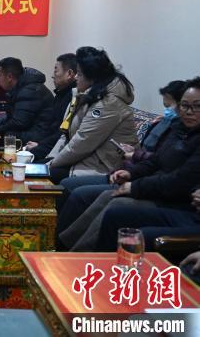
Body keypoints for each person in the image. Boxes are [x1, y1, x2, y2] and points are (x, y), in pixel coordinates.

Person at [58, 77, 200, 250]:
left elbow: (179, 181)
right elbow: (156, 160)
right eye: (184, 106)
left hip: (173, 200)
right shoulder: (178, 128)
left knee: (117, 206)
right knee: (105, 195)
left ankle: (82, 257)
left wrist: (134, 186)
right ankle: (63, 248)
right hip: (150, 184)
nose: (189, 112)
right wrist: (131, 173)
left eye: (197, 106)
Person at [46, 47, 138, 183]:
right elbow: (65, 134)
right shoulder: (84, 96)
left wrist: (51, 165)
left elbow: (82, 142)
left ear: (92, 78)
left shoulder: (107, 104)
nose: (76, 77)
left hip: (104, 167)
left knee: (45, 174)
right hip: (84, 159)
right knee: (38, 169)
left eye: (79, 74)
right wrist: (50, 159)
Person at [24, 54, 77, 161]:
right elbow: (50, 127)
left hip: (59, 151)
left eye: (56, 71)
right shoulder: (61, 94)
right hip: (47, 142)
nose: (53, 76)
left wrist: (39, 146)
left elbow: (62, 133)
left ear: (69, 74)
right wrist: (39, 143)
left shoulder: (73, 98)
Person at [0, 57, 54, 144]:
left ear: (9, 77)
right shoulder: (20, 86)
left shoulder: (29, 90)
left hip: (40, 134)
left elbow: (19, 122)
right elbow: (12, 115)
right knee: (4, 134)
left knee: (7, 136)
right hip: (31, 128)